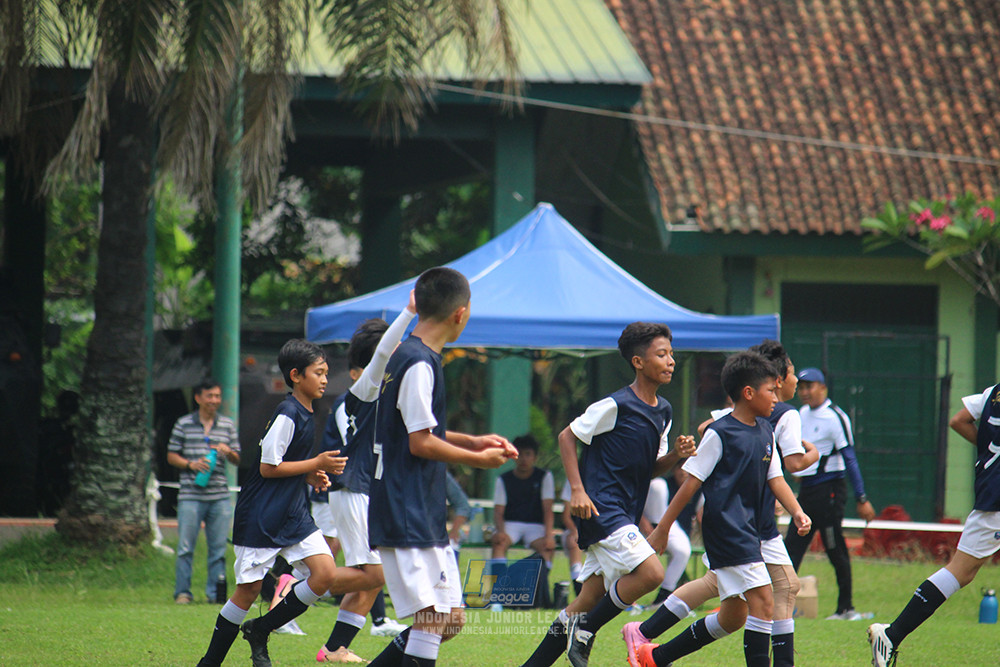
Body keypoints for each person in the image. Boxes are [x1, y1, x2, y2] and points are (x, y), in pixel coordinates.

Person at [623, 340, 819, 667]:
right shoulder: (720, 433)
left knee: (737, 612)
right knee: (764, 600)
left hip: (757, 528)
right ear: (748, 393)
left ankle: (655, 656)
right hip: (729, 529)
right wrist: (662, 530)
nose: (776, 396)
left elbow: (776, 479)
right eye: (770, 390)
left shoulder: (764, 432)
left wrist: (797, 511)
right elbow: (689, 485)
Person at [518, 321, 696, 667]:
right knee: (652, 574)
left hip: (622, 513)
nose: (671, 361)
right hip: (601, 509)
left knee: (588, 598)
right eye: (662, 354)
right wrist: (578, 490)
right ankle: (585, 631)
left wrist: (675, 455)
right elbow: (566, 436)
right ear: (637, 362)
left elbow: (652, 468)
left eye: (672, 354)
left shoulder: (663, 411)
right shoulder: (615, 404)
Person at [366, 267, 517, 667]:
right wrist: (478, 460)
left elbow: (419, 429)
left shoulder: (413, 355)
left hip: (419, 507)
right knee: (432, 619)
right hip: (405, 507)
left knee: (449, 620)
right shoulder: (417, 362)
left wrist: (474, 440)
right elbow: (420, 443)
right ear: (460, 314)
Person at [195, 339, 374, 667]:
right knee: (247, 592)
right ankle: (210, 661)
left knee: (324, 574)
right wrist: (315, 463)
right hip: (262, 513)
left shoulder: (306, 410)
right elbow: (266, 467)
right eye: (318, 373)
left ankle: (260, 630)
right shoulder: (288, 411)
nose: (324, 380)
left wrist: (309, 474)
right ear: (295, 375)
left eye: (326, 373)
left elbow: (286, 463)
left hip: (293, 512)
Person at [868, 382, 1000, 666]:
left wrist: (989, 451)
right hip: (996, 502)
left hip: (991, 495)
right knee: (960, 571)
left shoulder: (993, 393)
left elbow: (959, 420)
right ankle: (891, 634)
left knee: (960, 572)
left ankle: (891, 635)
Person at [318, 300, 416, 663]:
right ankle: (303, 581)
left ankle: (334, 649)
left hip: (366, 491)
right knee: (374, 573)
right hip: (353, 489)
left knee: (373, 578)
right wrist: (409, 314)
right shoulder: (363, 392)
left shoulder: (377, 396)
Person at [784, 367, 877, 620]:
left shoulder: (836, 416)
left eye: (809, 386)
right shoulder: (800, 413)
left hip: (830, 493)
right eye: (801, 387)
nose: (804, 392)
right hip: (806, 491)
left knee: (835, 549)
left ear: (823, 387)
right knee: (791, 548)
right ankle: (778, 607)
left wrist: (862, 497)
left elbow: (850, 458)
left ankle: (846, 609)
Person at [166, 378, 240, 605]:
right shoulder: (183, 424)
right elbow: (171, 456)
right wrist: (191, 464)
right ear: (198, 398)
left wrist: (228, 453)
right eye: (210, 396)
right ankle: (183, 593)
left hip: (219, 496)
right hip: (190, 495)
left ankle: (214, 595)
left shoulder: (227, 425)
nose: (215, 401)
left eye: (218, 396)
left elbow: (238, 459)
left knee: (218, 549)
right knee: (185, 547)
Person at [491, 434, 556, 566]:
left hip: (536, 526)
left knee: (547, 547)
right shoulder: (503, 479)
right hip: (511, 524)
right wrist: (500, 532)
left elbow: (548, 509)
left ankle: (540, 584)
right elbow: (498, 511)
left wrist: (549, 536)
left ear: (535, 457)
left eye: (528, 454)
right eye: (519, 454)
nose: (523, 459)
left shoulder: (545, 477)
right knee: (499, 543)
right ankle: (497, 583)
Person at [637, 476, 692, 607]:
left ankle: (664, 597)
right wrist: (641, 520)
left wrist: (661, 527)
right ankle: (624, 600)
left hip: (663, 519)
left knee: (682, 550)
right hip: (633, 516)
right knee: (657, 485)